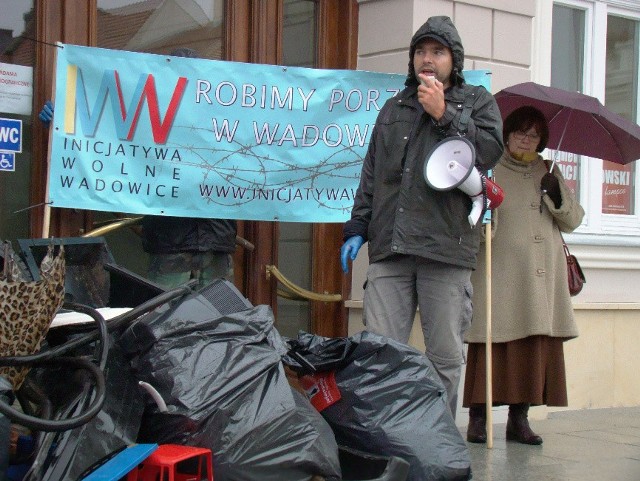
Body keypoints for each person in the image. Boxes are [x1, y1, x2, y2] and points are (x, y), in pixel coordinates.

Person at [340, 15, 504, 419]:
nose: (427, 60)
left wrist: (444, 113)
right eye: (420, 51)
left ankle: (438, 440)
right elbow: (372, 174)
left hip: (445, 251)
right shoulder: (394, 107)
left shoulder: (478, 101)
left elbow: (488, 152)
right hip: (391, 249)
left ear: (454, 59)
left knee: (444, 358)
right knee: (379, 352)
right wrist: (357, 227)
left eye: (437, 51)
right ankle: (385, 436)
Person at [39, 47, 237, 290]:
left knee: (220, 320)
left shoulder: (224, 115)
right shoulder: (148, 115)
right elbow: (110, 136)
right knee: (168, 321)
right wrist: (67, 122)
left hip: (211, 240)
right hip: (173, 241)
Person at [462, 105, 585, 445]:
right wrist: (488, 214)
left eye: (534, 135)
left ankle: (520, 420)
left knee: (533, 346)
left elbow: (572, 220)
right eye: (520, 133)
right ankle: (478, 419)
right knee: (492, 343)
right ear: (507, 134)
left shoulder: (549, 170)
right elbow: (475, 218)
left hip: (542, 277)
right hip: (500, 271)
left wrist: (556, 193)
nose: (526, 140)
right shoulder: (490, 168)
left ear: (541, 140)